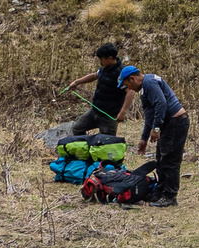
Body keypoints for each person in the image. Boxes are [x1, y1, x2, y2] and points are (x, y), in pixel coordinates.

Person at [118, 62, 188, 206]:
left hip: (176, 122)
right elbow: (149, 115)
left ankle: (170, 196)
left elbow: (161, 104)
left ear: (132, 79)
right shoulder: (144, 89)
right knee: (161, 159)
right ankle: (159, 192)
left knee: (170, 161)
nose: (128, 89)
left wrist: (156, 129)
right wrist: (144, 138)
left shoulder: (149, 82)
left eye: (127, 85)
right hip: (168, 124)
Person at [61, 43, 124, 137]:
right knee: (77, 128)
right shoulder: (104, 68)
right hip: (95, 111)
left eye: (101, 59)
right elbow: (94, 75)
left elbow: (130, 92)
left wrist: (123, 112)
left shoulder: (121, 73)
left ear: (110, 58)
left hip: (109, 116)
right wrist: (77, 82)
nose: (100, 62)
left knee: (107, 140)